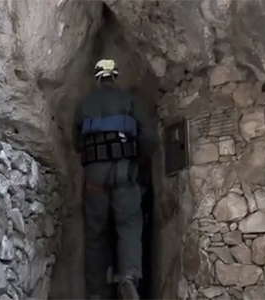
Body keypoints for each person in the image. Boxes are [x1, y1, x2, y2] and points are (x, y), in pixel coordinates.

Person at [73, 59, 157, 299]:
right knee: (129, 227)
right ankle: (129, 278)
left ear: (98, 77)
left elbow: (76, 143)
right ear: (115, 76)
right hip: (124, 175)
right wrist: (138, 160)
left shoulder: (84, 105)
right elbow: (150, 139)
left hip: (94, 181)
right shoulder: (131, 101)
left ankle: (97, 292)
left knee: (95, 235)